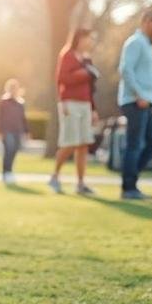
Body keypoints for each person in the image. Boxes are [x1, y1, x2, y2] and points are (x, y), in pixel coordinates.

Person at [117, 7, 152, 200]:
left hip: (146, 103)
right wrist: (139, 95)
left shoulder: (147, 44)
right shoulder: (135, 42)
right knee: (134, 144)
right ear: (148, 21)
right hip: (135, 102)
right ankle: (129, 188)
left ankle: (130, 179)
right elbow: (125, 70)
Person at [49, 28, 99, 195]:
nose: (91, 42)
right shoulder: (67, 55)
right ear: (80, 38)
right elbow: (62, 79)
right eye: (89, 38)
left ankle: (80, 183)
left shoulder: (87, 59)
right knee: (70, 142)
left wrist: (93, 109)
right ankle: (55, 176)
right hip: (69, 103)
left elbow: (91, 87)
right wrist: (82, 74)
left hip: (85, 104)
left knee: (83, 144)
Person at [0, 79, 28, 184]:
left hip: (18, 130)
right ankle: (6, 171)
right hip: (7, 130)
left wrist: (26, 131)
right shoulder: (3, 102)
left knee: (15, 150)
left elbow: (23, 118)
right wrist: (0, 131)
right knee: (8, 150)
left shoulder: (20, 103)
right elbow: (0, 118)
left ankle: (9, 170)